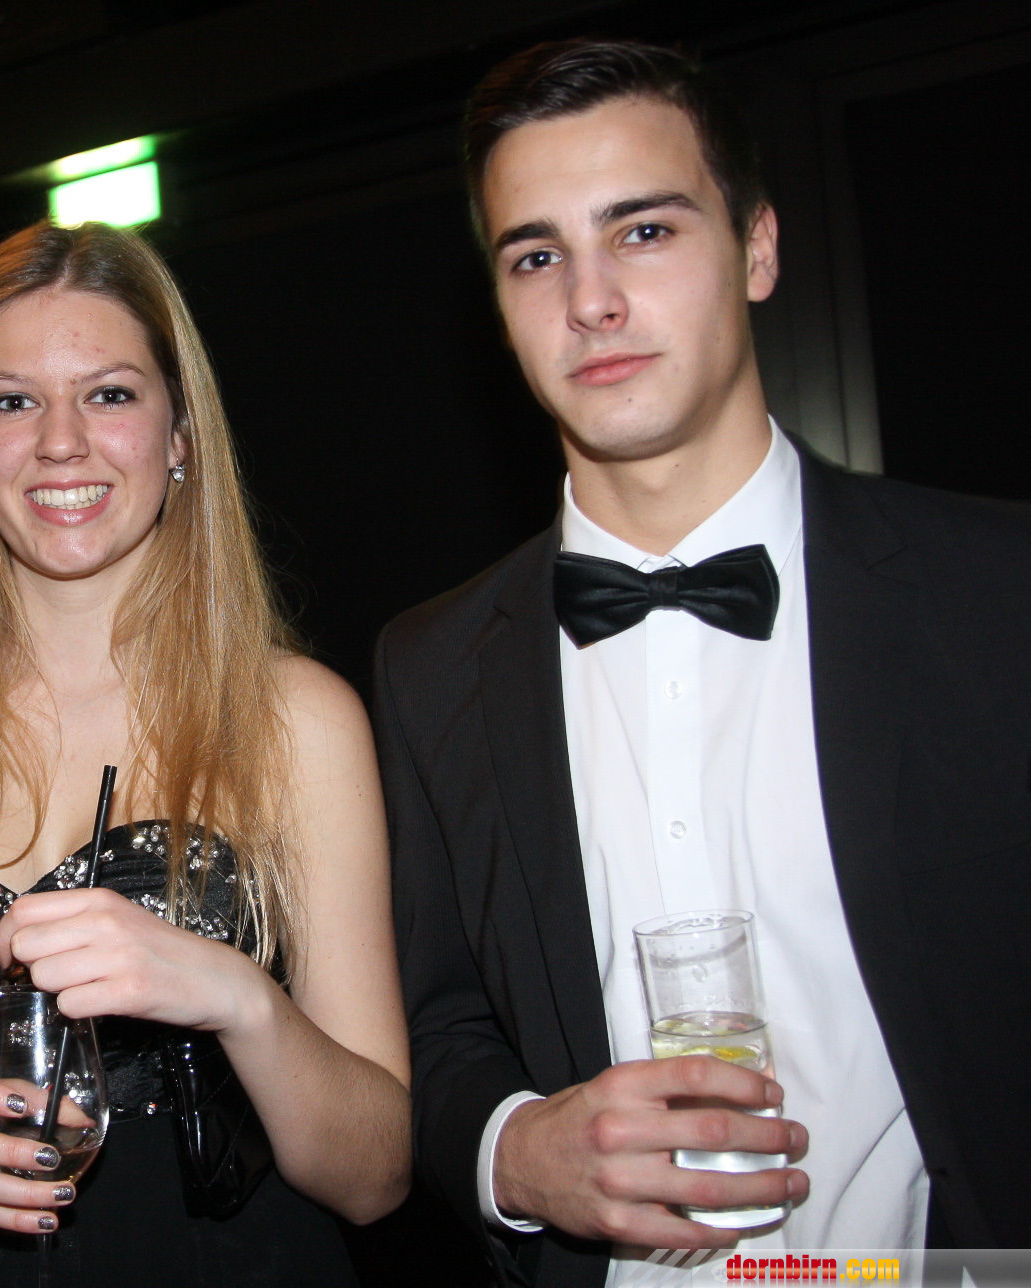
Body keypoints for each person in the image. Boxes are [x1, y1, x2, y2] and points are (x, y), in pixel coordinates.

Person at [374, 36, 1031, 1288]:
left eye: (644, 231)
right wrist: (513, 1153)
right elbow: (438, 1027)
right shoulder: (430, 666)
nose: (590, 301)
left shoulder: (999, 595)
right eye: (535, 256)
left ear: (758, 248)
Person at [0, 221, 410, 1286]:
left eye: (110, 394)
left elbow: (375, 1174)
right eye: (13, 402)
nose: (61, 442)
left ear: (180, 430)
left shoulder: (296, 720)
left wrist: (238, 997)